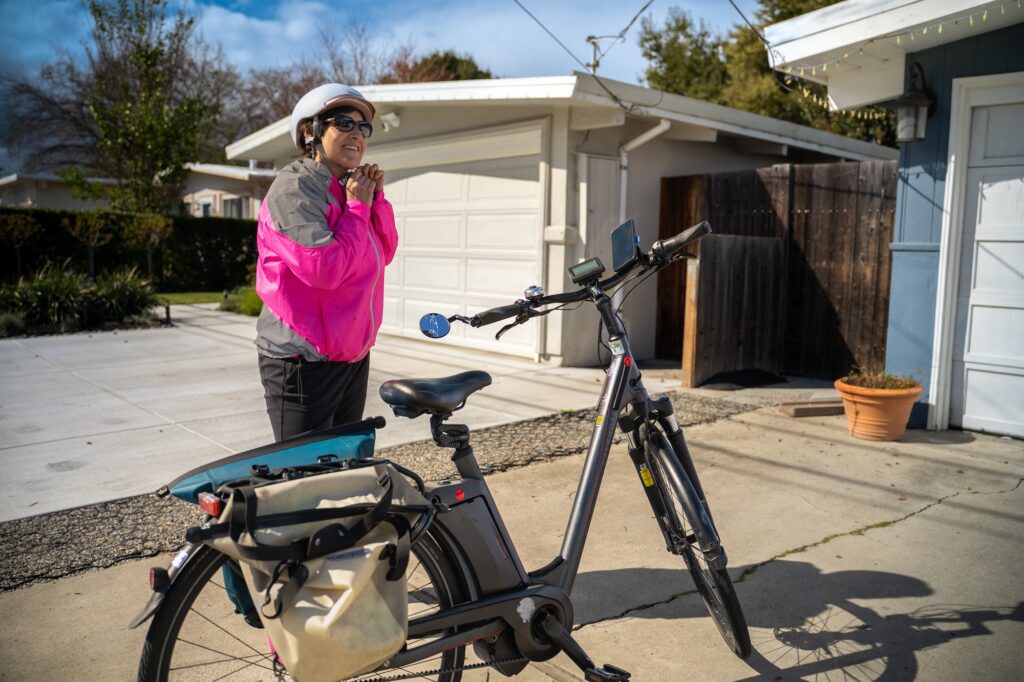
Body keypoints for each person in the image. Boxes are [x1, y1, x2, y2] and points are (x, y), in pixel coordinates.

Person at [254, 83, 398, 442]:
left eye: (363, 127)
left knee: (344, 471)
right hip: (303, 363)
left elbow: (385, 252)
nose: (357, 134)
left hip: (350, 358)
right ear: (310, 132)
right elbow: (326, 270)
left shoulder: (346, 189)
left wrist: (374, 200)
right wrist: (359, 207)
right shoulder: (293, 190)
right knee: (304, 481)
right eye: (343, 123)